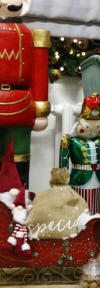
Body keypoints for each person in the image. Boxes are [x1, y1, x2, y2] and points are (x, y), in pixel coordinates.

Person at [0, 0, 51, 188]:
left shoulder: (32, 35)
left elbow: (39, 73)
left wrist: (40, 111)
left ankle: (18, 204)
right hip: (20, 105)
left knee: (19, 156)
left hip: (21, 107)